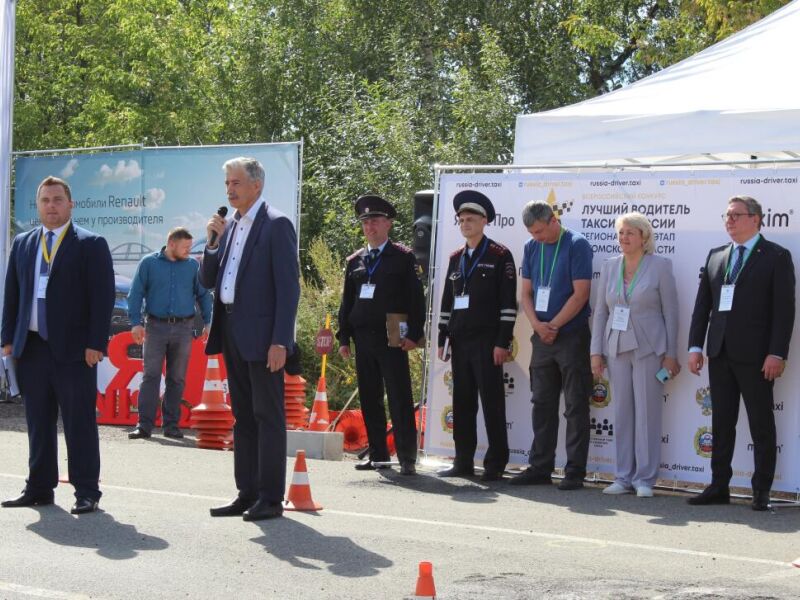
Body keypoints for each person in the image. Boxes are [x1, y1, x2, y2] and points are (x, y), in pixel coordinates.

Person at [1, 176, 115, 514]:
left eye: (57, 200)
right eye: (45, 200)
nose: (51, 206)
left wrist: (96, 343)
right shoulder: (23, 243)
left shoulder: (90, 244)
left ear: (70, 204)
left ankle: (87, 491)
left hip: (76, 351)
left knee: (79, 422)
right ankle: (39, 487)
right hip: (32, 348)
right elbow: (13, 294)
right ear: (38, 206)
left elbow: (102, 298)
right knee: (38, 421)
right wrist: (7, 339)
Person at [200, 157, 300, 522]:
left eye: (236, 182)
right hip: (231, 332)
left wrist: (281, 341)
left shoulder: (276, 224)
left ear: (256, 185)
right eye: (227, 183)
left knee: (267, 416)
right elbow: (208, 280)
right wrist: (212, 244)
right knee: (242, 416)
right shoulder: (230, 226)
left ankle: (271, 497)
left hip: (263, 338)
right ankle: (247, 493)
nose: (230, 189)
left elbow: (288, 288)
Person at [687, 195, 794, 511]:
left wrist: (777, 353)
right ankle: (719, 486)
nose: (729, 220)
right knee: (721, 423)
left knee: (761, 424)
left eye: (736, 215)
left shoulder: (776, 256)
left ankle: (761, 491)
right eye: (727, 215)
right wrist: (695, 346)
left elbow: (784, 311)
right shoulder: (716, 255)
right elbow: (702, 307)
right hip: (719, 353)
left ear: (756, 219)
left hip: (758, 357)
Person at [590, 212, 680, 498]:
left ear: (644, 237)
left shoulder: (660, 266)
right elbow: (601, 312)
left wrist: (671, 354)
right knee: (622, 413)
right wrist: (595, 352)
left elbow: (671, 312)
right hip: (616, 346)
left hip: (649, 348)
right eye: (621, 232)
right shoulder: (610, 266)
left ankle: (645, 479)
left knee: (647, 414)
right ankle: (623, 477)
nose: (624, 237)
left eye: (630, 232)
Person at [337, 194, 425, 476]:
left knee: (399, 397)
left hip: (392, 337)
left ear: (388, 224)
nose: (370, 227)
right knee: (369, 397)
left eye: (375, 221)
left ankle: (407, 457)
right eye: (365, 222)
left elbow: (416, 299)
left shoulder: (403, 257)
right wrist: (343, 337)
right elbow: (346, 302)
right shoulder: (356, 260)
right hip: (363, 338)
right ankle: (378, 455)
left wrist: (415, 334)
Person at [510, 201, 593, 490]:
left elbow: (581, 294)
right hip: (542, 336)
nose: (537, 237)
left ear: (553, 220)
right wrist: (537, 325)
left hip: (570, 335)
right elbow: (526, 293)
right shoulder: (531, 247)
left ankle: (575, 471)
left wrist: (554, 326)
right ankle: (540, 467)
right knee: (541, 403)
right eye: (532, 233)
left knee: (575, 404)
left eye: (540, 231)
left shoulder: (577, 244)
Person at [436, 190, 517, 481]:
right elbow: (447, 302)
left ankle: (495, 465)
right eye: (461, 220)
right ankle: (463, 461)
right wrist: (442, 338)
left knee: (492, 404)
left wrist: (502, 342)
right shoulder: (456, 257)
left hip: (487, 342)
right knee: (462, 404)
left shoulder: (499, 255)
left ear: (484, 221)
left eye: (470, 219)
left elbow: (508, 304)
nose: (465, 224)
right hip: (460, 341)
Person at [127, 227, 212, 440]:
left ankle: (171, 425)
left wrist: (209, 322)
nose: (189, 251)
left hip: (184, 328)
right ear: (171, 244)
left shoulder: (193, 266)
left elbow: (203, 295)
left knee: (177, 378)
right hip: (155, 327)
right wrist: (135, 323)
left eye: (190, 247)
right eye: (185, 247)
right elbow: (135, 293)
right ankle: (144, 425)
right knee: (151, 376)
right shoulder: (148, 263)